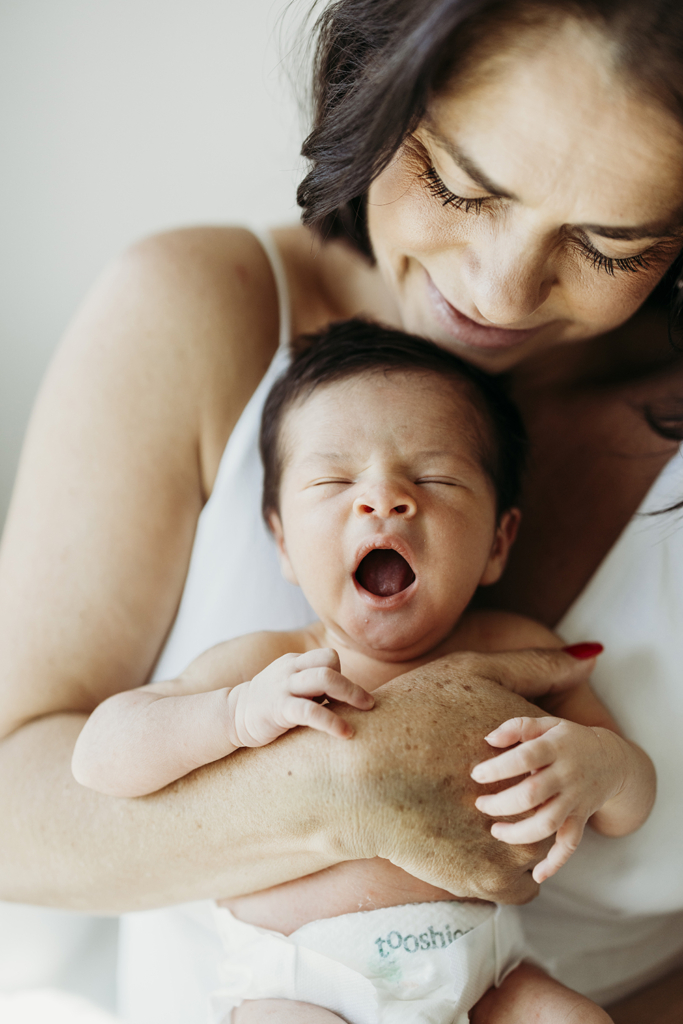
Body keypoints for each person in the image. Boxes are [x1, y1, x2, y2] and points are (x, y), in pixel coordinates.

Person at [0, 0, 682, 1021]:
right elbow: (18, 800)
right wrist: (332, 790)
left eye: (607, 245)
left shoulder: (516, 636)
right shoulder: (201, 312)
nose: (495, 293)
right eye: (458, 184)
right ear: (375, 81)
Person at [70, 321, 653, 1023]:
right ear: (282, 541)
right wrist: (228, 716)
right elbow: (100, 759)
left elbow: (628, 808)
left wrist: (598, 767)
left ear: (498, 542)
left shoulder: (518, 650)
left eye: (434, 477)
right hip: (305, 983)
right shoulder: (265, 669)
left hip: (487, 968)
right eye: (335, 479)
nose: (383, 498)